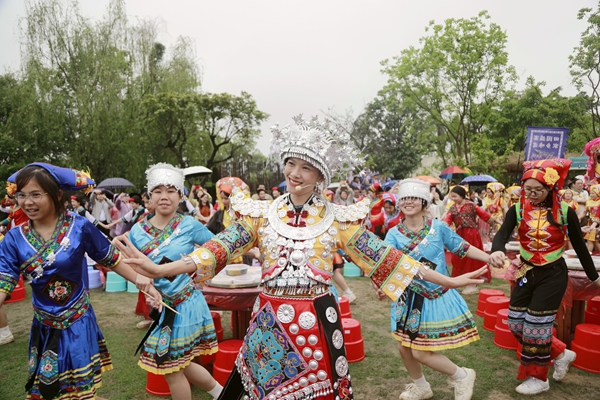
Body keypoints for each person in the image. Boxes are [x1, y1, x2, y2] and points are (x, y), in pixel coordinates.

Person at [115, 116, 488, 400]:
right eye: (291, 163)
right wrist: (162, 268)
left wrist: (452, 281)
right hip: (269, 321)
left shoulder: (338, 220)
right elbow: (216, 249)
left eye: (306, 167)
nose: (295, 173)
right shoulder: (260, 213)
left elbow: (392, 261)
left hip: (318, 324)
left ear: (320, 176)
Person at [0, 162, 162, 399]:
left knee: (80, 391)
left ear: (56, 195)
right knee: (48, 392)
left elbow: (112, 258)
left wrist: (143, 281)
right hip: (44, 326)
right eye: (22, 195)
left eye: (36, 194)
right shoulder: (14, 238)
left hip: (77, 321)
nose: (27, 202)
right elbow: (3, 279)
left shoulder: (79, 226)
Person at [490, 158, 600, 395]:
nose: (532, 194)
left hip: (553, 273)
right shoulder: (517, 209)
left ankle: (539, 379)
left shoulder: (565, 212)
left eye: (538, 190)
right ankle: (561, 352)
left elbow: (581, 247)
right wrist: (497, 250)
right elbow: (501, 235)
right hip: (525, 271)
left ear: (551, 188)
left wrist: (594, 277)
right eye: (528, 190)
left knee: (536, 327)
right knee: (516, 323)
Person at [379, 179, 492, 400]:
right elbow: (388, 266)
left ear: (423, 202)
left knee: (419, 351)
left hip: (434, 296)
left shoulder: (437, 227)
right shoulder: (393, 233)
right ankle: (421, 386)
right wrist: (384, 286)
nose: (408, 202)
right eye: (404, 199)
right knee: (404, 348)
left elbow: (462, 247)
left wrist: (489, 257)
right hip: (406, 298)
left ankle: (462, 375)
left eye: (414, 198)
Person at [127, 163, 222, 400]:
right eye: (158, 191)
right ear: (149, 196)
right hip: (161, 307)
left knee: (170, 365)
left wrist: (252, 250)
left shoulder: (189, 225)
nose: (164, 196)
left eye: (171, 190)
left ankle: (221, 392)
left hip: (187, 304)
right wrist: (147, 286)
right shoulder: (137, 232)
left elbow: (218, 247)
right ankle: (221, 393)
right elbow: (135, 269)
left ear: (180, 195)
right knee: (181, 363)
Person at [443, 186, 498, 294]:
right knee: (458, 259)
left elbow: (485, 216)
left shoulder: (472, 205)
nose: (453, 198)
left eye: (455, 196)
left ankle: (472, 284)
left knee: (472, 260)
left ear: (462, 195)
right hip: (459, 236)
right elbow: (447, 220)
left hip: (472, 235)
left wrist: (496, 223)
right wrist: (441, 226)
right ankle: (460, 282)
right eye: (452, 196)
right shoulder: (452, 208)